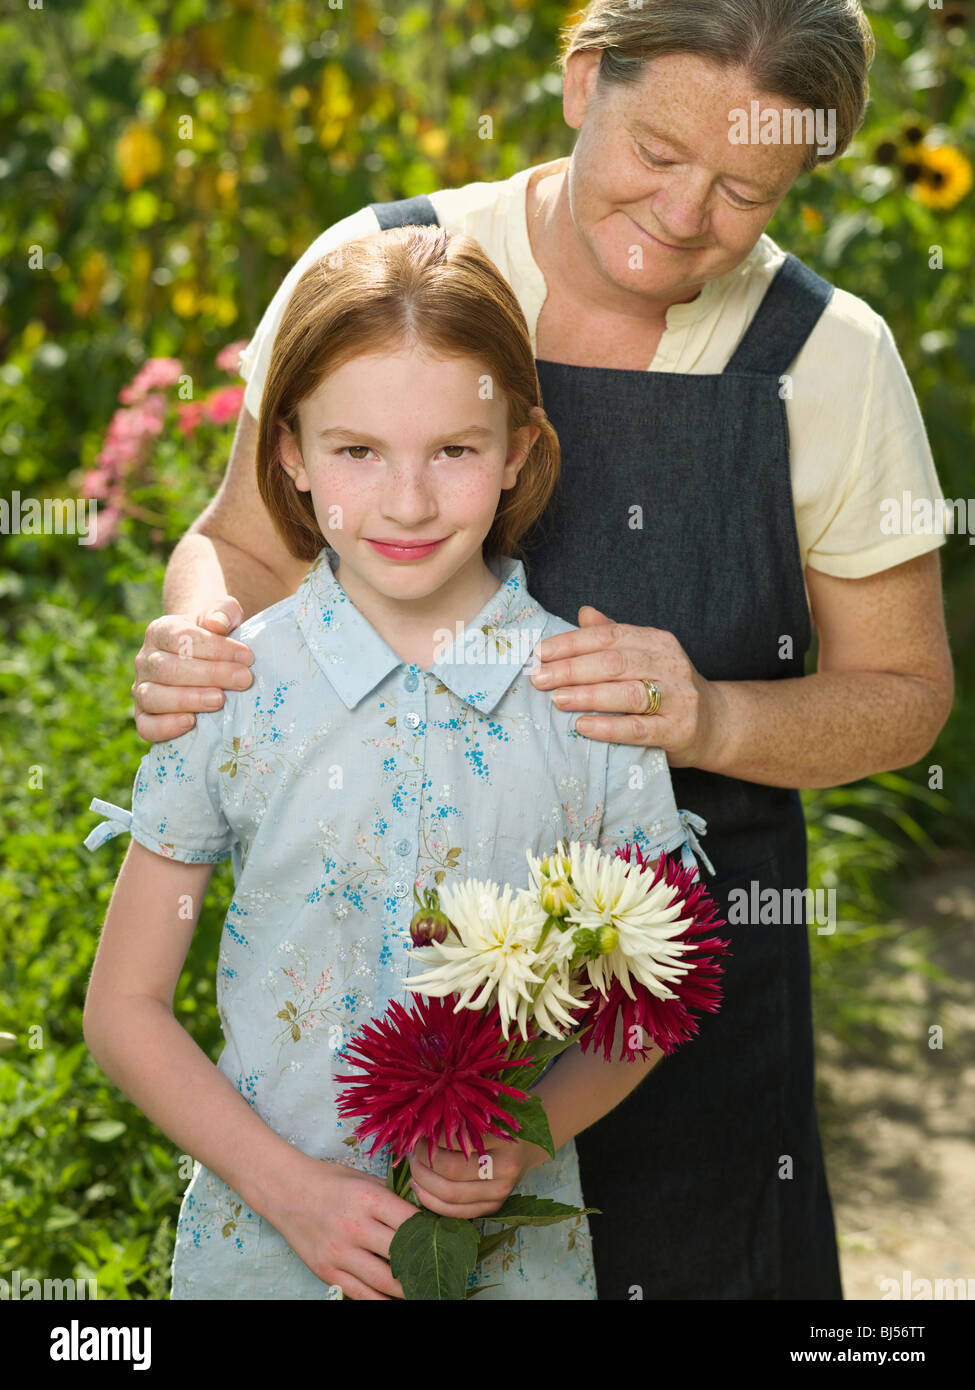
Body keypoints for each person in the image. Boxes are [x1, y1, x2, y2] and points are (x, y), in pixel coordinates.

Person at [127, 0, 954, 1298]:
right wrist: (201, 638)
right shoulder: (385, 265)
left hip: (672, 995)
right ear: (580, 82)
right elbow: (241, 543)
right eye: (657, 149)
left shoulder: (829, 358)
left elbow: (903, 695)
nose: (684, 212)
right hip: (368, 1018)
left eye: (744, 186)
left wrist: (709, 718)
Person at [82, 223, 715, 1301]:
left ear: (517, 447)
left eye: (455, 451)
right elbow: (124, 1008)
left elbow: (655, 997)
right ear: (287, 451)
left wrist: (529, 1136)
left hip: (513, 1262)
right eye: (357, 451)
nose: (409, 501)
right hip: (263, 1252)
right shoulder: (233, 689)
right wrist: (290, 1191)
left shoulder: (588, 698)